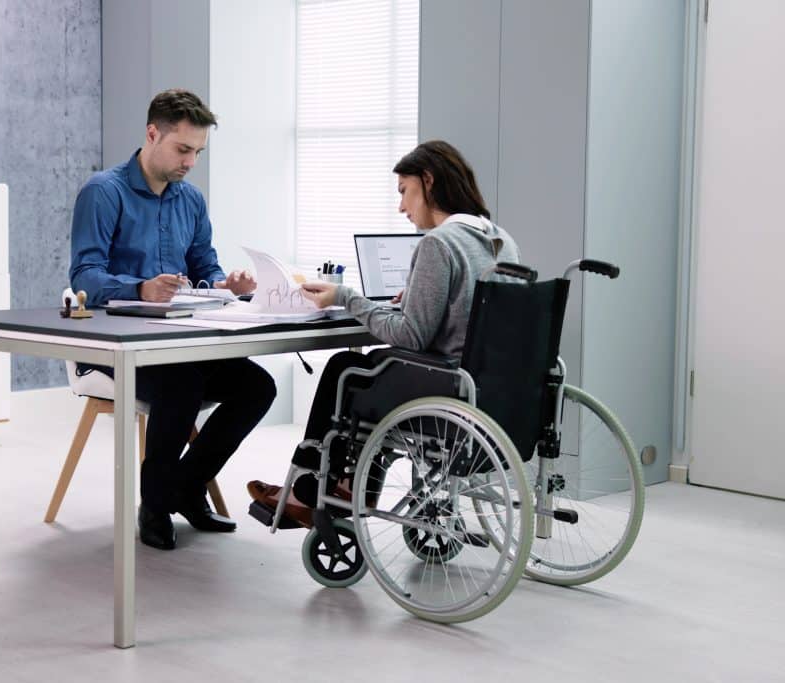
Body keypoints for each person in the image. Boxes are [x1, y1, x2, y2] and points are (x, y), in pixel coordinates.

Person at [247, 140, 520, 526]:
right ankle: (343, 483)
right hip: (489, 384)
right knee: (367, 369)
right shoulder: (501, 241)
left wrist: (346, 297)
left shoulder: (439, 243)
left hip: (444, 384)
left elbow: (410, 336)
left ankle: (307, 490)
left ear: (428, 181)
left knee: (347, 368)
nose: (402, 207)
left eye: (404, 192)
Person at [70, 89, 276, 550]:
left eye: (198, 152)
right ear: (152, 133)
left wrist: (227, 285)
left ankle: (184, 486)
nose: (190, 162)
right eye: (183, 150)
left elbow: (206, 268)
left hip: (181, 342)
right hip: (115, 347)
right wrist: (139, 288)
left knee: (258, 386)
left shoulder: (191, 201)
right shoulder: (104, 192)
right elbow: (84, 276)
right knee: (182, 383)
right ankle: (157, 505)